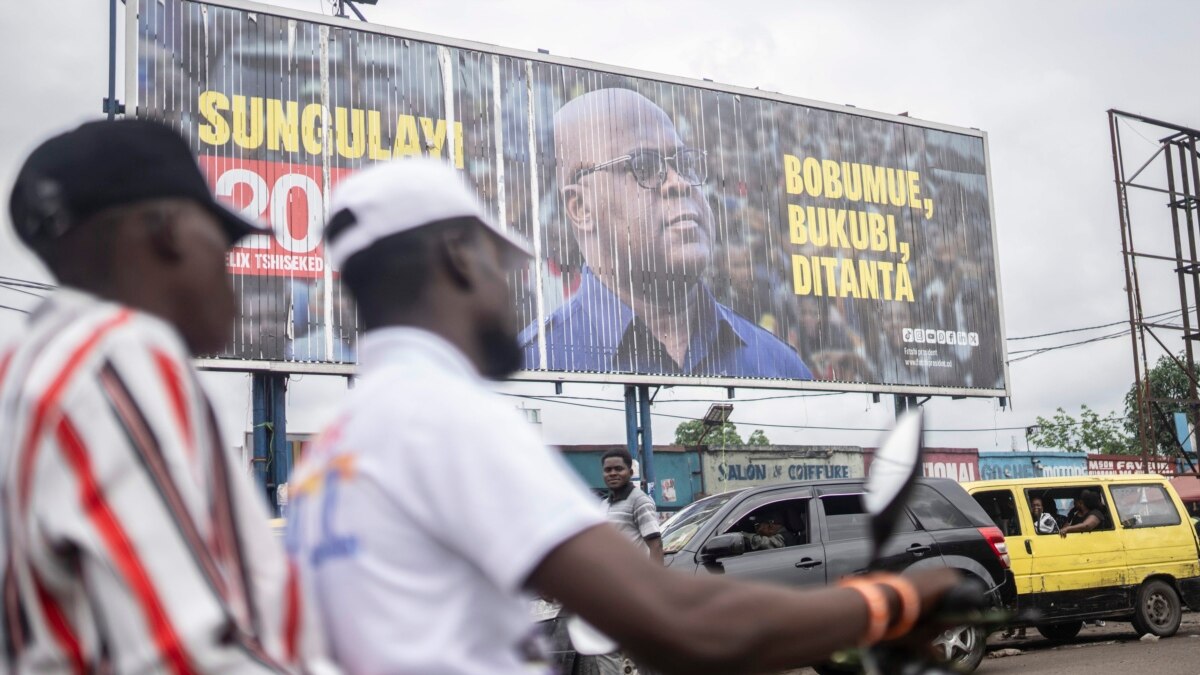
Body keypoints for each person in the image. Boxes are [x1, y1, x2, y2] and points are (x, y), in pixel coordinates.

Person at [287, 157, 958, 675]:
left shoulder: (328, 456)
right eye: (501, 263)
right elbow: (681, 625)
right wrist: (886, 602)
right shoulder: (444, 417)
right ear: (458, 257)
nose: (513, 286)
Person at [0, 120, 332, 673]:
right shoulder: (117, 355)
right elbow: (189, 656)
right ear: (167, 232)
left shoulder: (26, 368)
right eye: (223, 241)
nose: (230, 269)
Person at [520, 88, 812, 380]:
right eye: (644, 166)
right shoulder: (529, 370)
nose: (679, 183)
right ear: (581, 207)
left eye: (685, 164)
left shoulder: (781, 367)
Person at [601, 449, 663, 563]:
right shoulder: (604, 504)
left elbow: (656, 546)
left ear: (630, 473)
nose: (613, 473)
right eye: (608, 470)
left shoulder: (639, 501)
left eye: (619, 469)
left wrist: (655, 580)